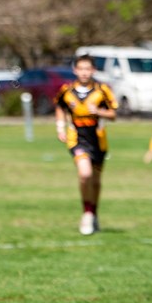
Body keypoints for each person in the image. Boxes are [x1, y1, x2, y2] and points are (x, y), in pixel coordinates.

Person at [54, 54, 117, 235]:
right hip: (77, 138)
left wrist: (98, 111)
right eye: (81, 69)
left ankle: (93, 213)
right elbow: (60, 107)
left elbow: (113, 114)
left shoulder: (102, 90)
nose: (84, 72)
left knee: (95, 182)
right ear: (75, 70)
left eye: (87, 69)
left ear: (93, 70)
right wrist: (60, 127)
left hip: (97, 139)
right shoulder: (66, 90)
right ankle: (87, 214)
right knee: (85, 174)